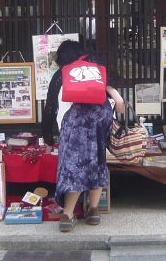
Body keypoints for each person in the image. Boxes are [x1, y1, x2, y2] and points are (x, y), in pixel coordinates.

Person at [42, 40, 125, 232]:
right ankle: (93, 211)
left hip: (75, 124)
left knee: (75, 166)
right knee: (97, 161)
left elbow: (50, 108)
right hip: (99, 120)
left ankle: (67, 215)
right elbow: (114, 95)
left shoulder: (62, 74)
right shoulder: (95, 69)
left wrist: (47, 136)